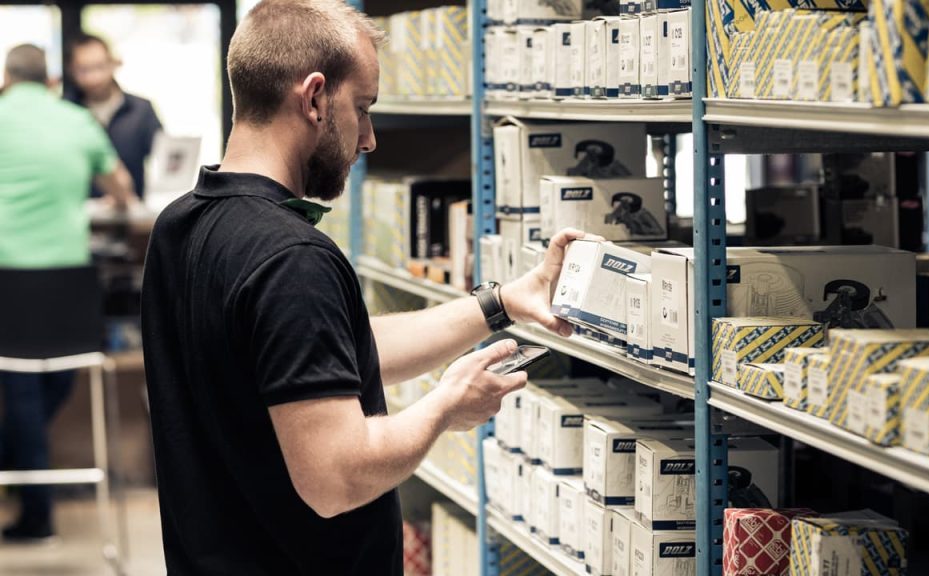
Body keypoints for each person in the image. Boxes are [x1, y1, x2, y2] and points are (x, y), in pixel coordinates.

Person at [140, 1, 583, 573]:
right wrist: (445, 407)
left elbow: (321, 356)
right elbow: (337, 478)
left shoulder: (183, 224)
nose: (369, 138)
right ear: (315, 96)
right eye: (363, 108)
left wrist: (499, 305)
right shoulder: (291, 258)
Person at [0, 44, 134, 542]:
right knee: (52, 377)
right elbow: (121, 187)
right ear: (53, 80)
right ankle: (31, 497)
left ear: (7, 78)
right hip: (68, 289)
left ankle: (35, 507)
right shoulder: (77, 120)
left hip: (6, 282)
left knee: (20, 385)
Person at [67, 34, 162, 199]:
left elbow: (163, 160)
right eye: (83, 70)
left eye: (99, 67)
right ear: (71, 70)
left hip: (131, 213)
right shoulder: (66, 111)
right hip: (80, 213)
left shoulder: (141, 109)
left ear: (113, 63)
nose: (93, 77)